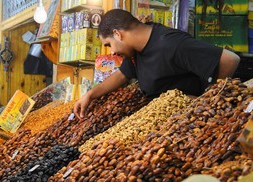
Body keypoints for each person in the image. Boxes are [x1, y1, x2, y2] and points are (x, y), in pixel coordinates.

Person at [74, 9, 240, 119]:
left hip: (191, 119)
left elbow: (229, 60)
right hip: (166, 121)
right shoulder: (136, 50)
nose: (111, 52)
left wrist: (206, 101)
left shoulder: (171, 44)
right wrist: (90, 95)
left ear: (117, 34)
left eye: (109, 44)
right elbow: (121, 75)